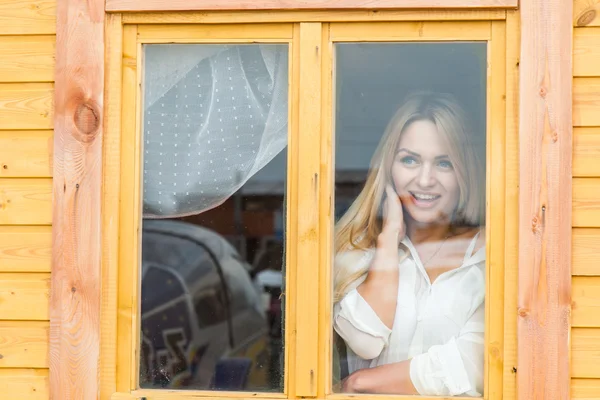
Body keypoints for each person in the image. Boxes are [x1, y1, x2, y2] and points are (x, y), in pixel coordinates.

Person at [333, 91, 486, 397]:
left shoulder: (489, 256)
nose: (425, 180)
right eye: (410, 160)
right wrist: (389, 239)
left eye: (444, 164)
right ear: (388, 167)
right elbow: (365, 338)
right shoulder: (358, 248)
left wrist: (362, 382)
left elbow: (473, 365)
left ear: (465, 172)